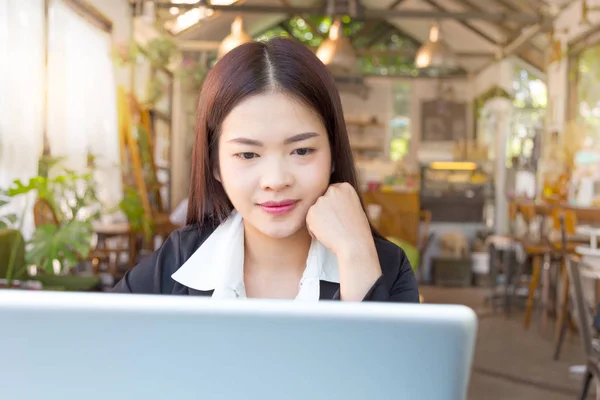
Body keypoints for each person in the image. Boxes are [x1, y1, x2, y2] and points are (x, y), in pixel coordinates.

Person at [112, 38, 419, 302]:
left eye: (302, 150)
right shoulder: (178, 261)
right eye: (247, 154)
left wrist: (355, 255)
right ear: (215, 163)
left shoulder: (386, 267)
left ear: (334, 154)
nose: (275, 181)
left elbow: (395, 371)